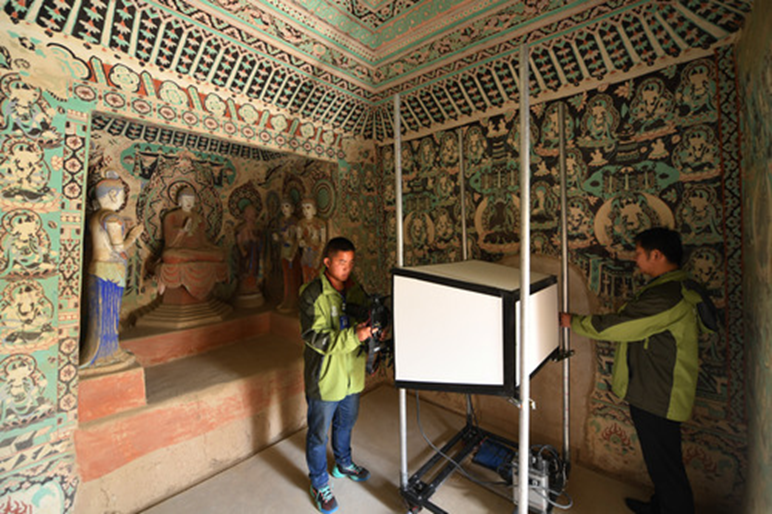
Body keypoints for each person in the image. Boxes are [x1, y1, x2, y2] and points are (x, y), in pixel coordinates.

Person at [560, 227, 717, 514]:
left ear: (657, 255)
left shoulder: (668, 296)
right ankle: (661, 506)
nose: (635, 259)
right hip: (655, 388)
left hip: (660, 394)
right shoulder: (670, 288)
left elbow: (622, 326)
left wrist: (573, 322)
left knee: (666, 465)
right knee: (660, 460)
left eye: (639, 253)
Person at [298, 237, 374, 514]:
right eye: (342, 262)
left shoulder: (355, 290)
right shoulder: (311, 294)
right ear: (327, 262)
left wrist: (373, 330)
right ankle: (319, 483)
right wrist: (355, 335)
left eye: (351, 263)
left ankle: (343, 463)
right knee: (318, 435)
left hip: (352, 375)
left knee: (346, 423)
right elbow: (315, 337)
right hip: (325, 378)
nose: (347, 268)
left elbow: (365, 319)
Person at [81, 176, 143, 368]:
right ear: (113, 195)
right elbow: (118, 247)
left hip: (99, 268)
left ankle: (104, 352)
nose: (122, 200)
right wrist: (134, 235)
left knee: (101, 313)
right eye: (122, 196)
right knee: (108, 312)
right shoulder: (112, 218)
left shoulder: (96, 216)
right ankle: (105, 355)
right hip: (110, 270)